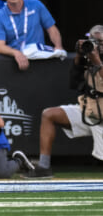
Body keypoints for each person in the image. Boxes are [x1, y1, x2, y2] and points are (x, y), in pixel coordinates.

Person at [24, 25, 103, 178]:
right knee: (49, 114)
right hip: (89, 111)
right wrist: (80, 58)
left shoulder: (96, 59)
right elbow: (73, 83)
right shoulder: (89, 57)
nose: (96, 45)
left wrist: (98, 63)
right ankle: (44, 167)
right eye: (93, 41)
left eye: (100, 42)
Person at [0, 0, 65, 70]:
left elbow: (51, 29)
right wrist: (16, 53)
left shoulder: (36, 5)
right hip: (15, 62)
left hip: (39, 59)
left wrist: (58, 46)